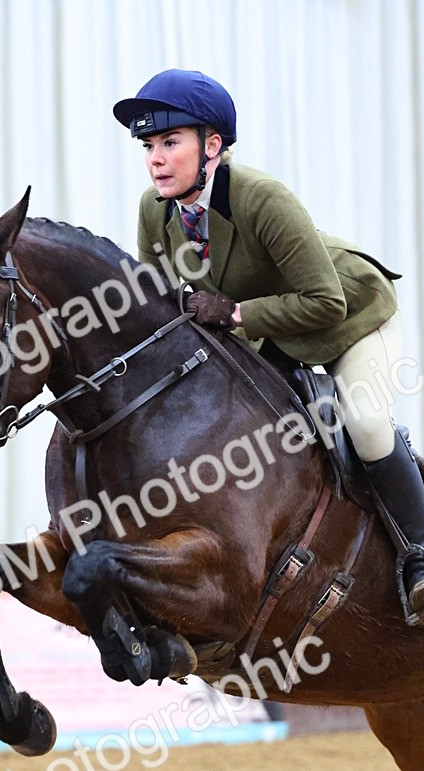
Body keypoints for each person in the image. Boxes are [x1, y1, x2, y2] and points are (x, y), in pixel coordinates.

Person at [113, 68, 424, 618]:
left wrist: (233, 311)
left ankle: (419, 554)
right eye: (149, 146)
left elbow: (325, 301)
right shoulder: (154, 210)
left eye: (169, 143)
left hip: (348, 317)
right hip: (271, 330)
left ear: (212, 147)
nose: (155, 159)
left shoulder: (261, 198)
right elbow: (155, 306)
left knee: (367, 423)